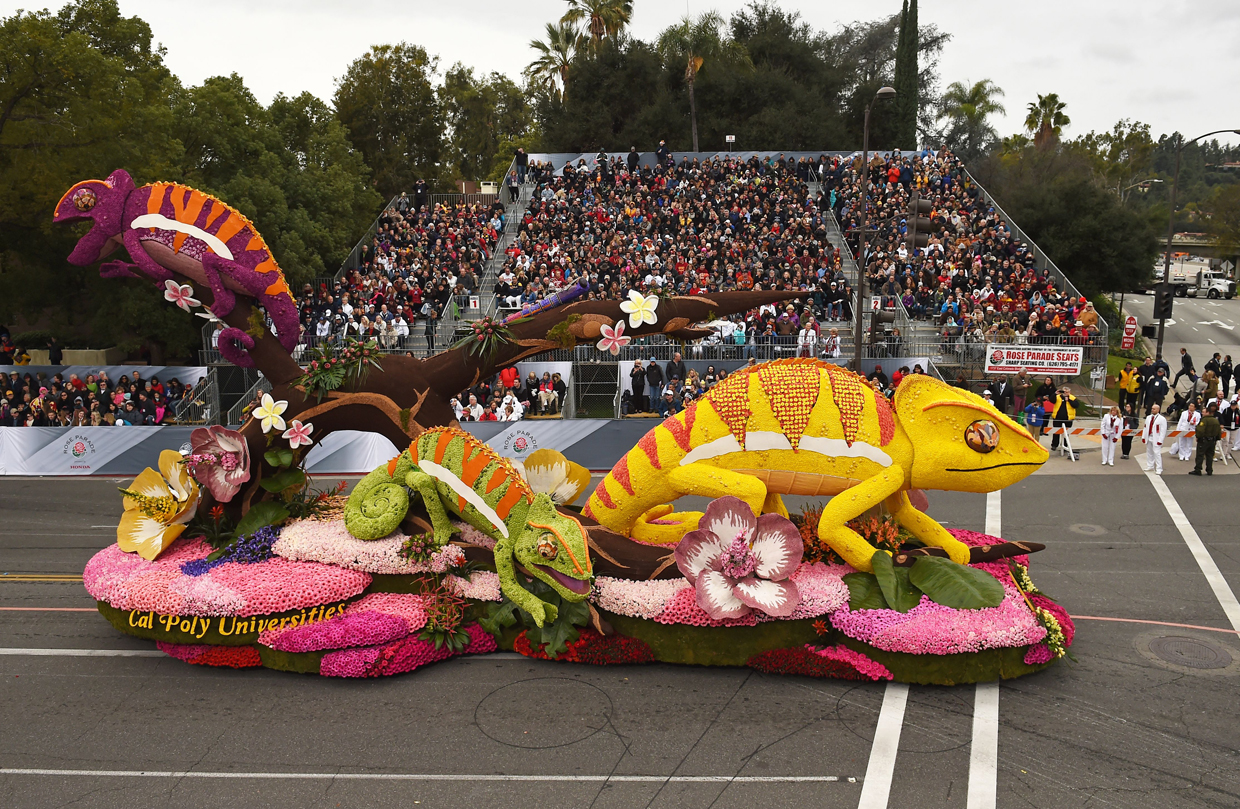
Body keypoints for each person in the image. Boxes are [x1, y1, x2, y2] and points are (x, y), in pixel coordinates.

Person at [1190, 404, 1221, 476]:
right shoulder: (1216, 421)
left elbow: (1200, 430)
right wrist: (1217, 439)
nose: (1202, 413)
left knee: (1200, 455)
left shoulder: (1204, 420)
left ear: (1208, 412)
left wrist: (1198, 437)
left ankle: (1198, 469)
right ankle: (1209, 470)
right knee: (1210, 456)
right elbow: (1219, 431)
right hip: (1212, 441)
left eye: (1204, 412)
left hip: (1204, 441)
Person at [1049, 386, 1077, 451]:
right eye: (1064, 391)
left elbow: (1076, 405)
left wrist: (1069, 400)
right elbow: (1051, 400)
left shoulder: (1072, 398)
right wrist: (1055, 393)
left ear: (1069, 392)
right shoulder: (1058, 397)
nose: (1065, 393)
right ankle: (1054, 445)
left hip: (1068, 418)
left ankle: (1065, 445)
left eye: (1067, 392)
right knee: (1056, 432)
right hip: (1057, 418)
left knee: (1066, 433)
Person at [1142, 404, 1167, 476]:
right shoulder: (1148, 417)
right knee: (1149, 452)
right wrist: (1144, 437)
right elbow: (1145, 428)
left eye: (1154, 409)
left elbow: (1163, 431)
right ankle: (1150, 466)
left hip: (1156, 438)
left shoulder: (1162, 419)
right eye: (1152, 409)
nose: (1152, 410)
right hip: (1149, 436)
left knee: (1157, 453)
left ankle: (1159, 468)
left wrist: (1160, 440)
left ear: (1158, 410)